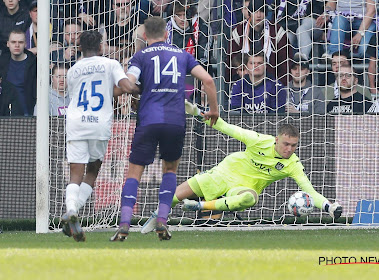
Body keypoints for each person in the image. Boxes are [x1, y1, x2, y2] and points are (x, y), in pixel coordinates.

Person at [140, 102, 343, 234]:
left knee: (250, 198)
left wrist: (328, 206)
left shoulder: (293, 164)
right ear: (276, 140)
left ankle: (201, 207)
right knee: (175, 196)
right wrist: (197, 112)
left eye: (293, 146)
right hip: (225, 172)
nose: (289, 149)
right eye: (285, 144)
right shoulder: (258, 141)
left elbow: (309, 191)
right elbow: (225, 127)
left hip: (244, 187)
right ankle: (157, 216)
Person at [110, 17, 219, 242]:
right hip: (175, 121)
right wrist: (214, 110)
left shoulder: (140, 56)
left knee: (134, 174)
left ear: (145, 37)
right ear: (167, 34)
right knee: (169, 171)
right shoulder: (183, 55)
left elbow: (128, 84)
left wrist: (138, 92)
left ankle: (124, 224)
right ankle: (162, 219)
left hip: (148, 120)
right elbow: (208, 80)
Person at [61, 30, 138, 242]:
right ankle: (74, 209)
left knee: (75, 173)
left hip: (76, 122)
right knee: (93, 169)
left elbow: (86, 93)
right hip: (99, 123)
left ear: (80, 48)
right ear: (101, 46)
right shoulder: (110, 64)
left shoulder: (73, 70)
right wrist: (144, 89)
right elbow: (127, 87)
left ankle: (71, 209)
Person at [228, 0, 293, 86]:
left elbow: (286, 62)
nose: (258, 15)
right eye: (255, 11)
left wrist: (277, 85)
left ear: (266, 13)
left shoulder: (277, 31)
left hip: (271, 84)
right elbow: (232, 62)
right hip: (244, 84)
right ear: (249, 13)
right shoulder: (238, 32)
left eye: (262, 11)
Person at [0, 29, 37, 116]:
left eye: (20, 42)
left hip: (28, 112)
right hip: (5, 113)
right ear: (8, 44)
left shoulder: (34, 63)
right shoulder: (2, 61)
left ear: (25, 44)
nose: (17, 45)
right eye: (13, 42)